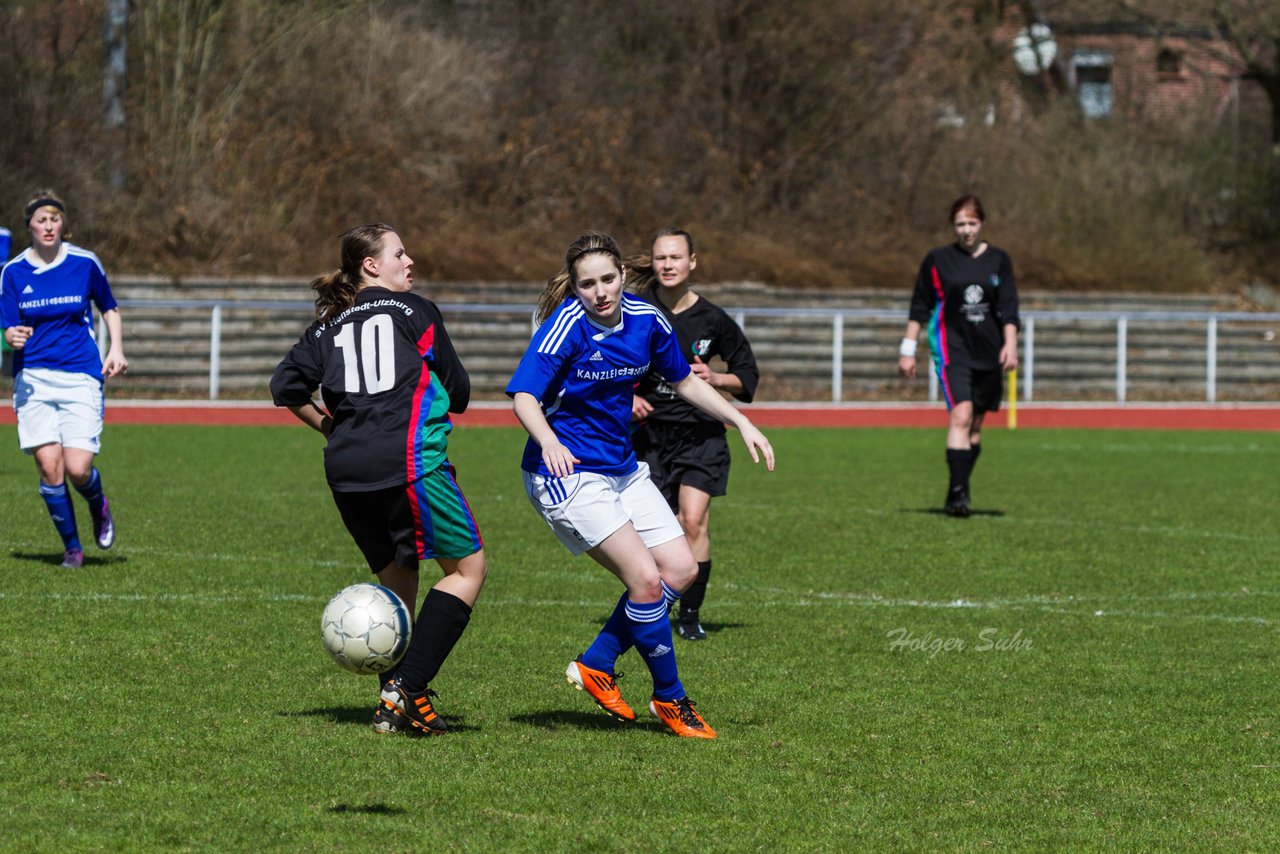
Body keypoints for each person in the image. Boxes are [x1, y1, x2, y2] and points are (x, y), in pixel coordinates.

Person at [506, 231, 775, 739]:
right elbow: (523, 395)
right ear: (576, 288)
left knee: (682, 568)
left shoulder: (649, 321)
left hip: (621, 467)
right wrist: (547, 440)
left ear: (623, 277)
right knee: (647, 582)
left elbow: (687, 381)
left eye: (608, 279)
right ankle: (671, 699)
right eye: (588, 284)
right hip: (565, 473)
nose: (600, 291)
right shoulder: (565, 326)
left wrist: (742, 422)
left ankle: (598, 662)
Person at [270, 223, 487, 737]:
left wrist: (329, 425)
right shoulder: (417, 312)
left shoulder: (327, 326)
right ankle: (407, 688)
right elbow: (458, 393)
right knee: (466, 570)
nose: (410, 262)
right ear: (371, 265)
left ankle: (390, 709)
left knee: (399, 580)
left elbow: (284, 386)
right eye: (400, 253)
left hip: (346, 472)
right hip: (409, 463)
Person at [628, 228, 759, 641]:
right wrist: (627, 399)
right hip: (648, 437)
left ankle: (689, 616)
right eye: (660, 258)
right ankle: (649, 607)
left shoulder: (713, 319)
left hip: (701, 435)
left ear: (692, 262)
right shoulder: (634, 311)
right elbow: (603, 365)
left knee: (694, 521)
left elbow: (748, 377)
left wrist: (717, 379)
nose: (667, 265)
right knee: (655, 529)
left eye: (675, 257)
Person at [0, 191, 125, 568]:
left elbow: (109, 306)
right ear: (30, 227)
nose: (49, 226)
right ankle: (72, 547)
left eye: (55, 219)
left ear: (63, 224)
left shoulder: (85, 263)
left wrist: (116, 348)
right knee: (50, 466)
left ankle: (97, 504)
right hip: (34, 378)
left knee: (77, 468)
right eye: (41, 220)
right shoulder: (13, 272)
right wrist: (9, 336)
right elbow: (7, 325)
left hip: (80, 375)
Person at [898, 194, 1020, 517]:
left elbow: (1009, 307)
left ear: (982, 223)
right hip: (952, 349)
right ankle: (957, 495)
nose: (966, 229)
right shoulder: (938, 260)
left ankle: (960, 485)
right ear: (953, 225)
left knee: (976, 426)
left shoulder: (999, 260)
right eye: (960, 224)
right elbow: (919, 306)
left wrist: (1011, 343)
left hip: (990, 352)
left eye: (972, 223)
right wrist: (908, 349)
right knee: (961, 416)